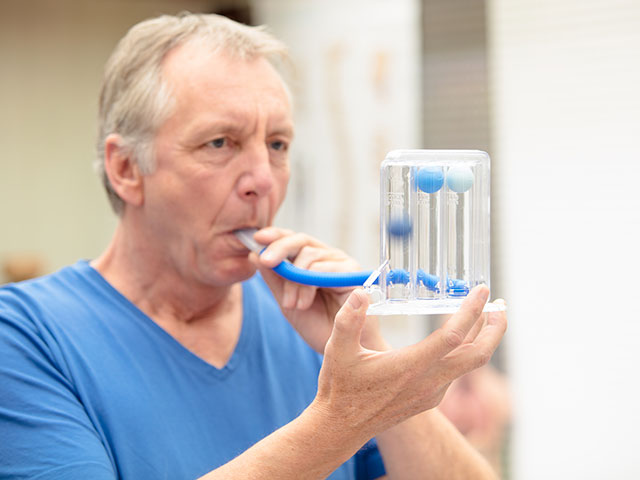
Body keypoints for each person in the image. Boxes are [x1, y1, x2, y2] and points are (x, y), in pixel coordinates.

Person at [0, 13, 507, 479]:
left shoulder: (318, 331)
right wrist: (343, 419)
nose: (262, 180)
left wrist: (376, 361)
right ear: (126, 169)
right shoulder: (24, 338)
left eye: (278, 145)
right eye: (219, 143)